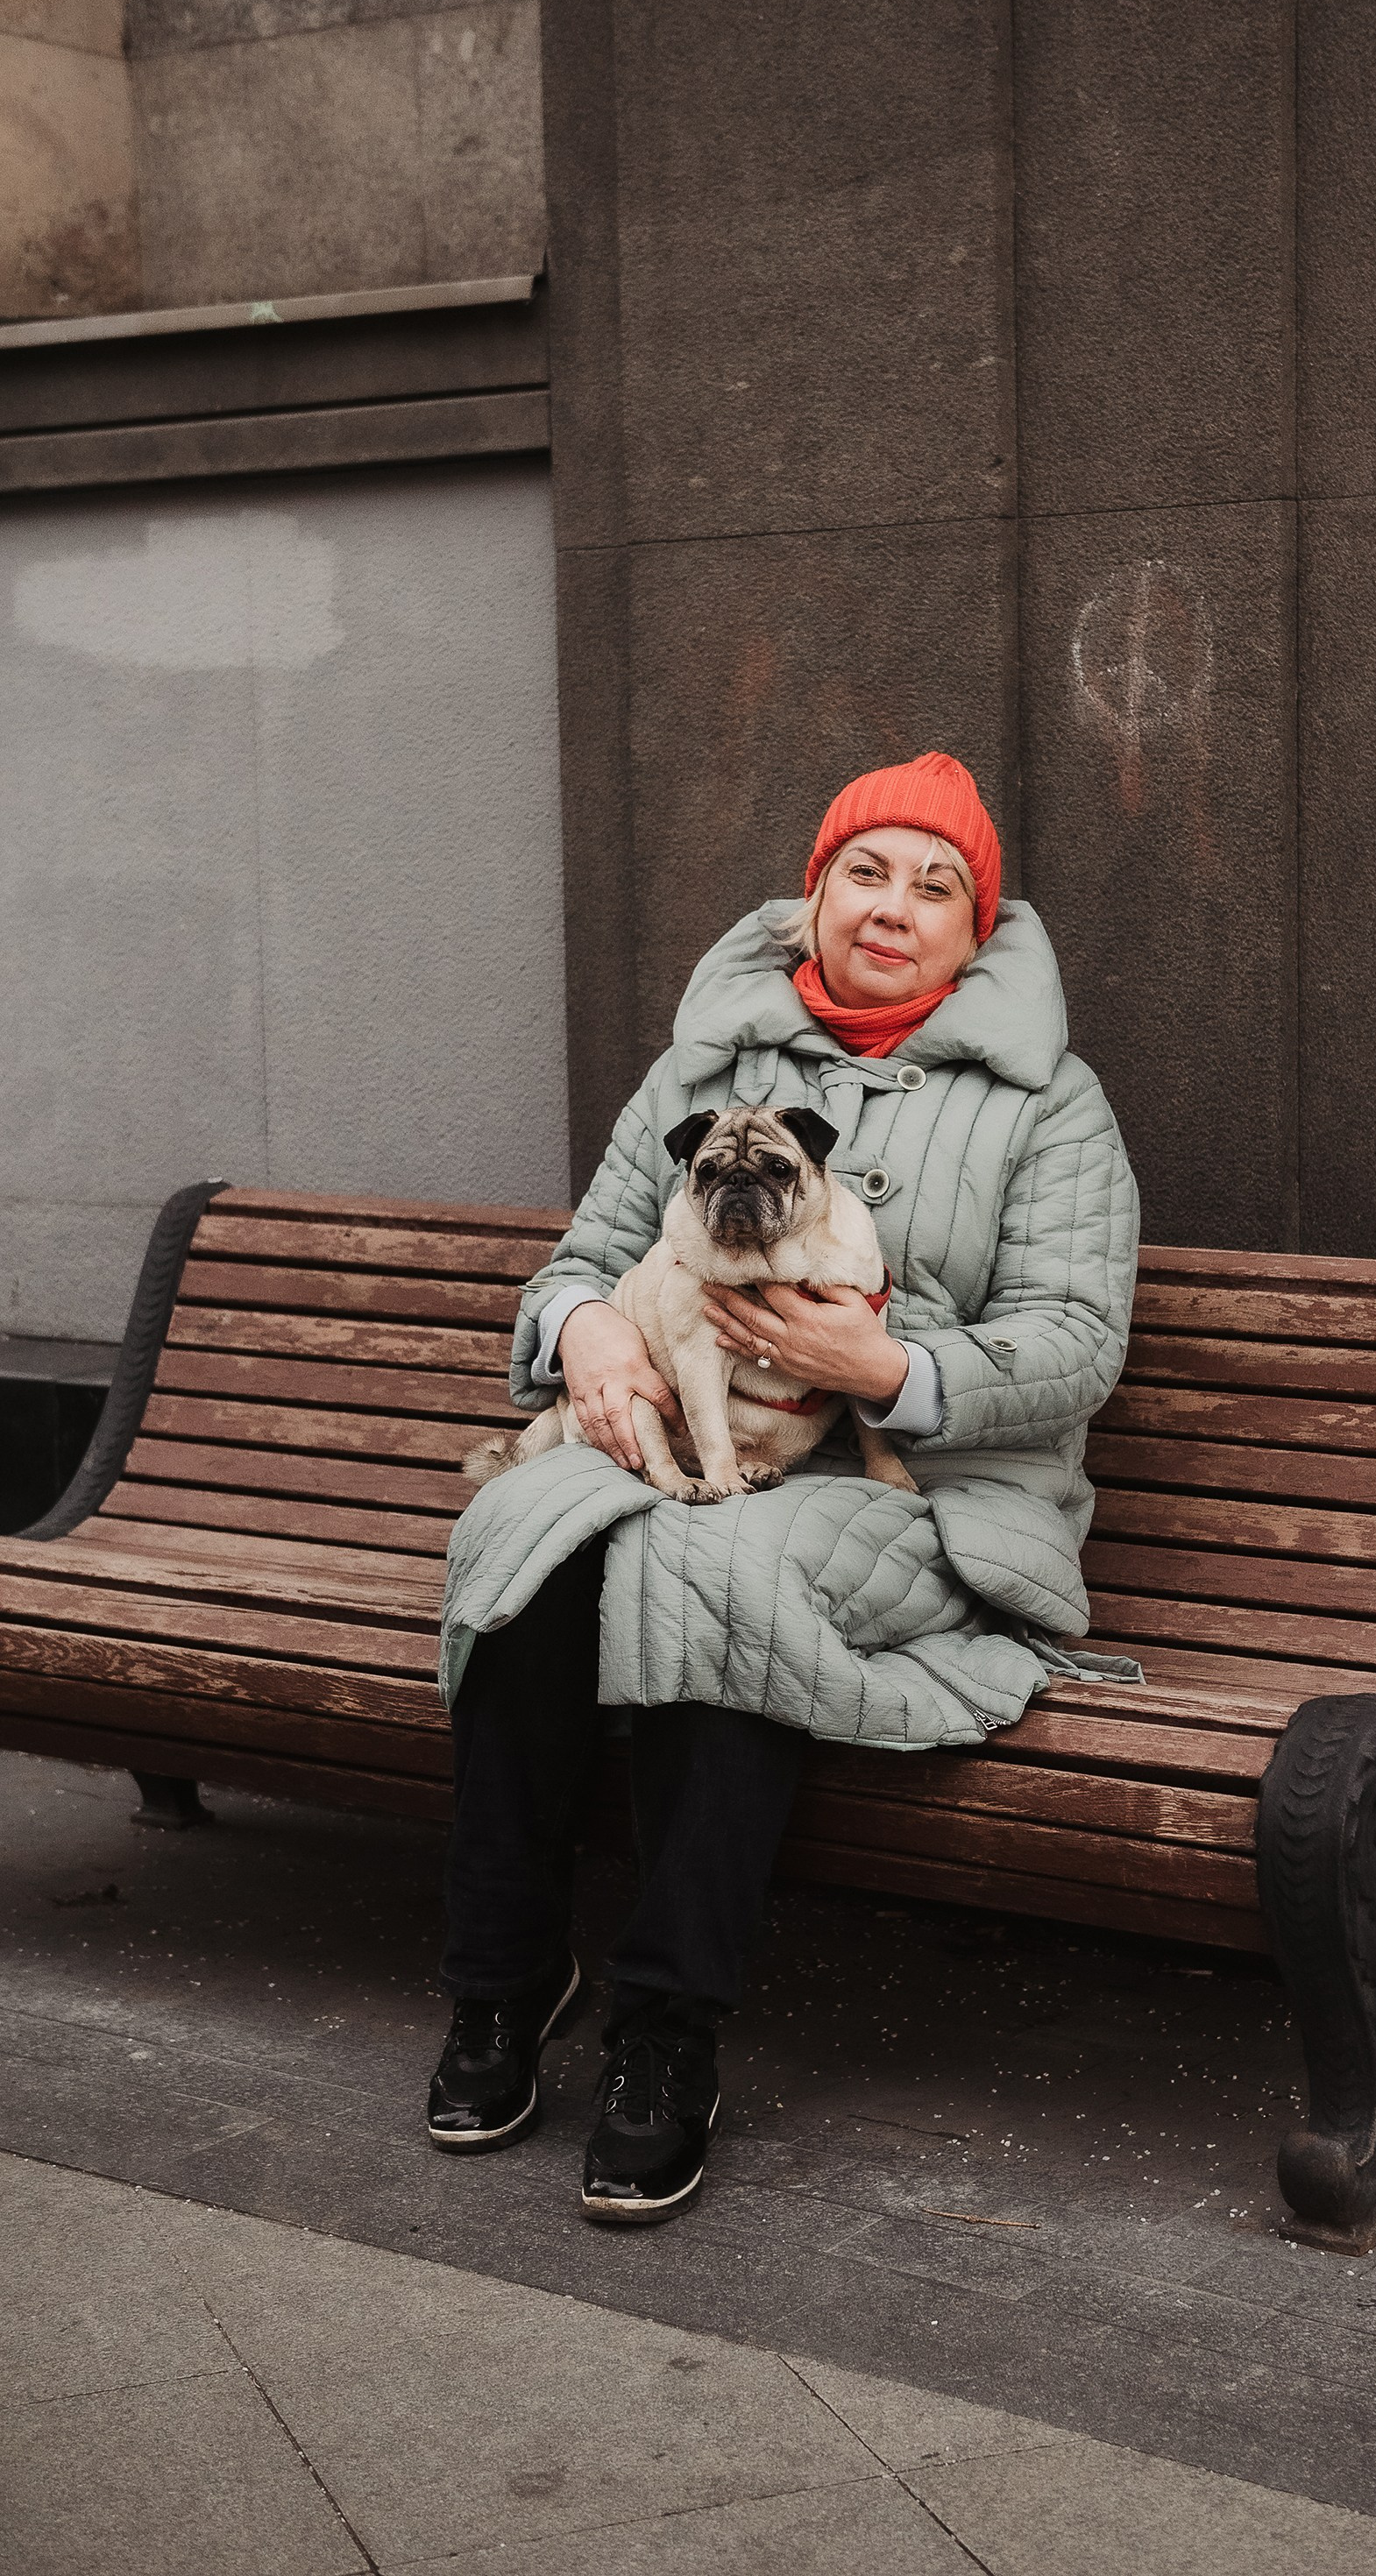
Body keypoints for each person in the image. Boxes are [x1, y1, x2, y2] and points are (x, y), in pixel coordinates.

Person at [429, 750, 1139, 2221]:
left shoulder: (1051, 1107)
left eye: (935, 886)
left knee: (717, 1571)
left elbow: (1077, 1342)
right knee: (522, 1534)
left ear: (976, 929)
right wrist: (595, 1328)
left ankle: (665, 2036)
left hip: (922, 1481)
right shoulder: (702, 1072)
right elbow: (579, 1257)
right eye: (865, 873)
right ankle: (503, 1978)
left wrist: (885, 1371)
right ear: (813, 896)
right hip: (684, 1431)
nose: (894, 908)